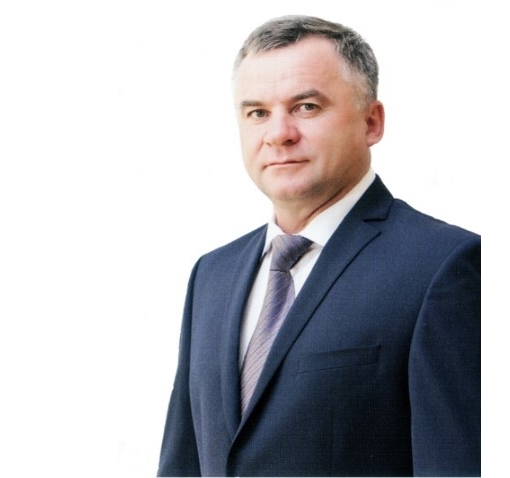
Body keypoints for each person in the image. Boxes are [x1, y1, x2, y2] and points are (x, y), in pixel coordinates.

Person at [158, 15, 480, 477]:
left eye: (306, 107)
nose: (279, 133)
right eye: (257, 113)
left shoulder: (441, 267)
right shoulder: (211, 275)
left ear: (371, 122)